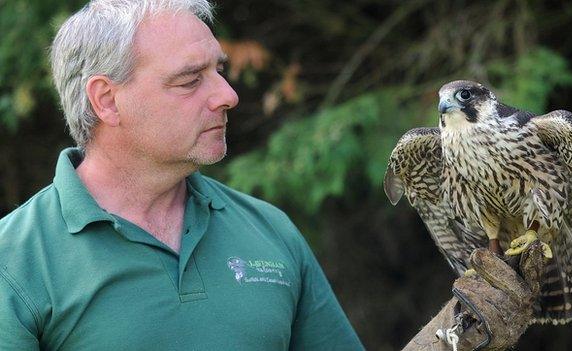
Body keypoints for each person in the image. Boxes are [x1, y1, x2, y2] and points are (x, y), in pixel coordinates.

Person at [0, 0, 542, 350]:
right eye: (191, 80)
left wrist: (452, 341)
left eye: (221, 71)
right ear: (106, 99)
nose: (228, 95)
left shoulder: (268, 232)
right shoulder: (16, 260)